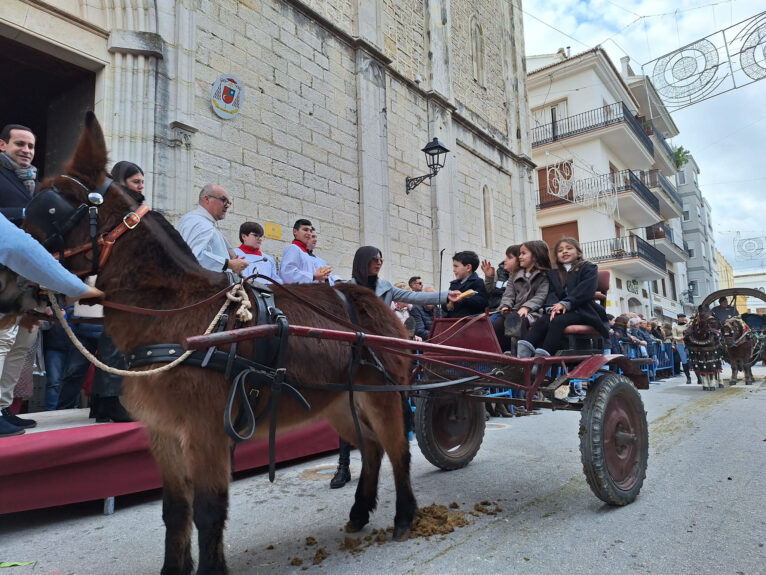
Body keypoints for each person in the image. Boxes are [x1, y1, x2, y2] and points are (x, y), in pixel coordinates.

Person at [329, 246, 461, 489]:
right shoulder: (344, 288)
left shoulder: (386, 287)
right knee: (347, 408)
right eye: (374, 260)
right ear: (363, 262)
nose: (379, 263)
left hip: (379, 352)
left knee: (394, 396)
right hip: (352, 353)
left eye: (381, 258)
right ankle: (343, 466)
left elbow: (415, 297)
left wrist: (445, 297)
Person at [0, 212, 103, 436]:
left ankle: (2, 407)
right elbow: (23, 250)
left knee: (17, 348)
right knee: (3, 344)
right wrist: (81, 290)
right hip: (8, 288)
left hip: (22, 295)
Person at [0, 124, 42, 436]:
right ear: (2, 145)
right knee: (2, 340)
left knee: (21, 344)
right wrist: (29, 212)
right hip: (3, 272)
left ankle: (3, 406)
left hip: (28, 276)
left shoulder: (36, 184)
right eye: (19, 144)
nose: (26, 150)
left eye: (30, 146)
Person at [518, 237, 609, 358]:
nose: (564, 251)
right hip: (561, 311)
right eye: (560, 250)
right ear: (556, 256)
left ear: (578, 252)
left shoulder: (588, 268)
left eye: (569, 248)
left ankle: (543, 359)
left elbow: (585, 290)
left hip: (583, 310)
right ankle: (522, 356)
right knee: (543, 320)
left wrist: (566, 303)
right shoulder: (554, 273)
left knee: (557, 321)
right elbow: (551, 293)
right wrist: (552, 307)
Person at [176, 184, 248, 280]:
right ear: (207, 199)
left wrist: (233, 265)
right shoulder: (198, 222)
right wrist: (229, 264)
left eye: (229, 202)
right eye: (223, 200)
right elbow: (193, 257)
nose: (227, 206)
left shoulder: (204, 221)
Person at [493, 241, 550, 352]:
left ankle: (521, 354)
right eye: (520, 254)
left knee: (520, 321)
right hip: (515, 312)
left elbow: (540, 296)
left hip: (535, 312)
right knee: (499, 323)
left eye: (523, 254)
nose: (520, 257)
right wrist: (505, 306)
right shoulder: (513, 276)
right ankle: (505, 354)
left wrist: (526, 307)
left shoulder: (544, 276)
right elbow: (508, 295)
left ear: (535, 256)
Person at [280, 219, 331, 284]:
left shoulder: (305, 253)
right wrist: (313, 276)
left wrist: (321, 275)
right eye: (305, 230)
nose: (309, 233)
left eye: (310, 231)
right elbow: (287, 273)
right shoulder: (293, 248)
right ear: (295, 231)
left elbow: (311, 278)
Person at [442, 251, 489, 318]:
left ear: (468, 267)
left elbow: (482, 302)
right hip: (452, 320)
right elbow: (446, 305)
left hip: (469, 321)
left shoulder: (477, 282)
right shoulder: (453, 284)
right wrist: (448, 303)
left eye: (456, 266)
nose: (454, 270)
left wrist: (463, 298)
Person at [672, 313, 693, 384]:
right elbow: (674, 336)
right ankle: (688, 378)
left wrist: (688, 323)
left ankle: (698, 376)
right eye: (680, 317)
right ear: (678, 318)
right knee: (684, 360)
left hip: (689, 344)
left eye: (683, 317)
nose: (682, 318)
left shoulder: (688, 325)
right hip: (680, 344)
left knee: (692, 358)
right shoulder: (675, 327)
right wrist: (680, 338)